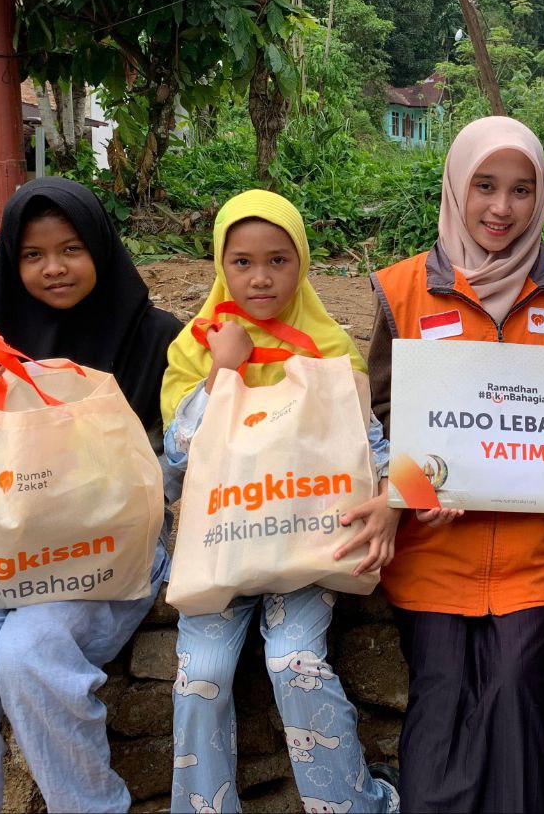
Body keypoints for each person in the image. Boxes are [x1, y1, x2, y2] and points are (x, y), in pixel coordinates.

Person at [0, 177, 182, 813]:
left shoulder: (156, 338)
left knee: (31, 652)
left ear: (101, 248)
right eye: (33, 255)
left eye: (71, 249)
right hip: (6, 558)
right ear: (12, 262)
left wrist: (92, 481)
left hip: (107, 555)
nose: (53, 267)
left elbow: (177, 459)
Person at [368, 116, 544, 813]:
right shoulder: (402, 290)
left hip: (537, 552)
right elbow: (380, 417)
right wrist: (414, 487)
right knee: (442, 696)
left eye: (521, 190)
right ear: (455, 187)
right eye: (485, 186)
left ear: (541, 196)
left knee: (518, 680)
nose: (502, 208)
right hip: (433, 550)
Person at [159, 189, 400, 814]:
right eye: (241, 262)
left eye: (278, 260)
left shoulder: (328, 348)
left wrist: (394, 498)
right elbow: (179, 458)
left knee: (294, 660)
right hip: (221, 554)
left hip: (305, 556)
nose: (260, 278)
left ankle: (356, 806)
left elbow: (368, 447)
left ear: (303, 264)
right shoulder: (195, 347)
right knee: (201, 676)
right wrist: (223, 372)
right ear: (220, 264)